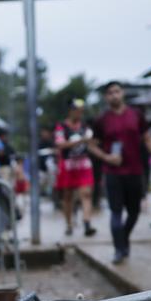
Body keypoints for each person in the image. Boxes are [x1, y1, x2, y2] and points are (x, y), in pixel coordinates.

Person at [90, 81, 151, 262]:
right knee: (115, 212)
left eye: (117, 91)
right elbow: (91, 145)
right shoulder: (102, 120)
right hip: (112, 172)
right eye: (110, 93)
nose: (114, 95)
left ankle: (123, 238)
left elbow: (147, 138)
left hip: (135, 171)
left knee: (134, 212)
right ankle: (119, 250)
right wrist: (106, 157)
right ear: (106, 97)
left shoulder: (136, 115)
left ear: (122, 93)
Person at [54, 99, 96, 236]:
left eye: (81, 110)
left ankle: (87, 222)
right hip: (68, 166)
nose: (79, 113)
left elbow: (92, 143)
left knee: (86, 193)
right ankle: (69, 224)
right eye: (77, 110)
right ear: (71, 111)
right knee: (67, 197)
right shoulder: (61, 127)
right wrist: (80, 141)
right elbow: (60, 145)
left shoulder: (85, 127)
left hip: (84, 164)